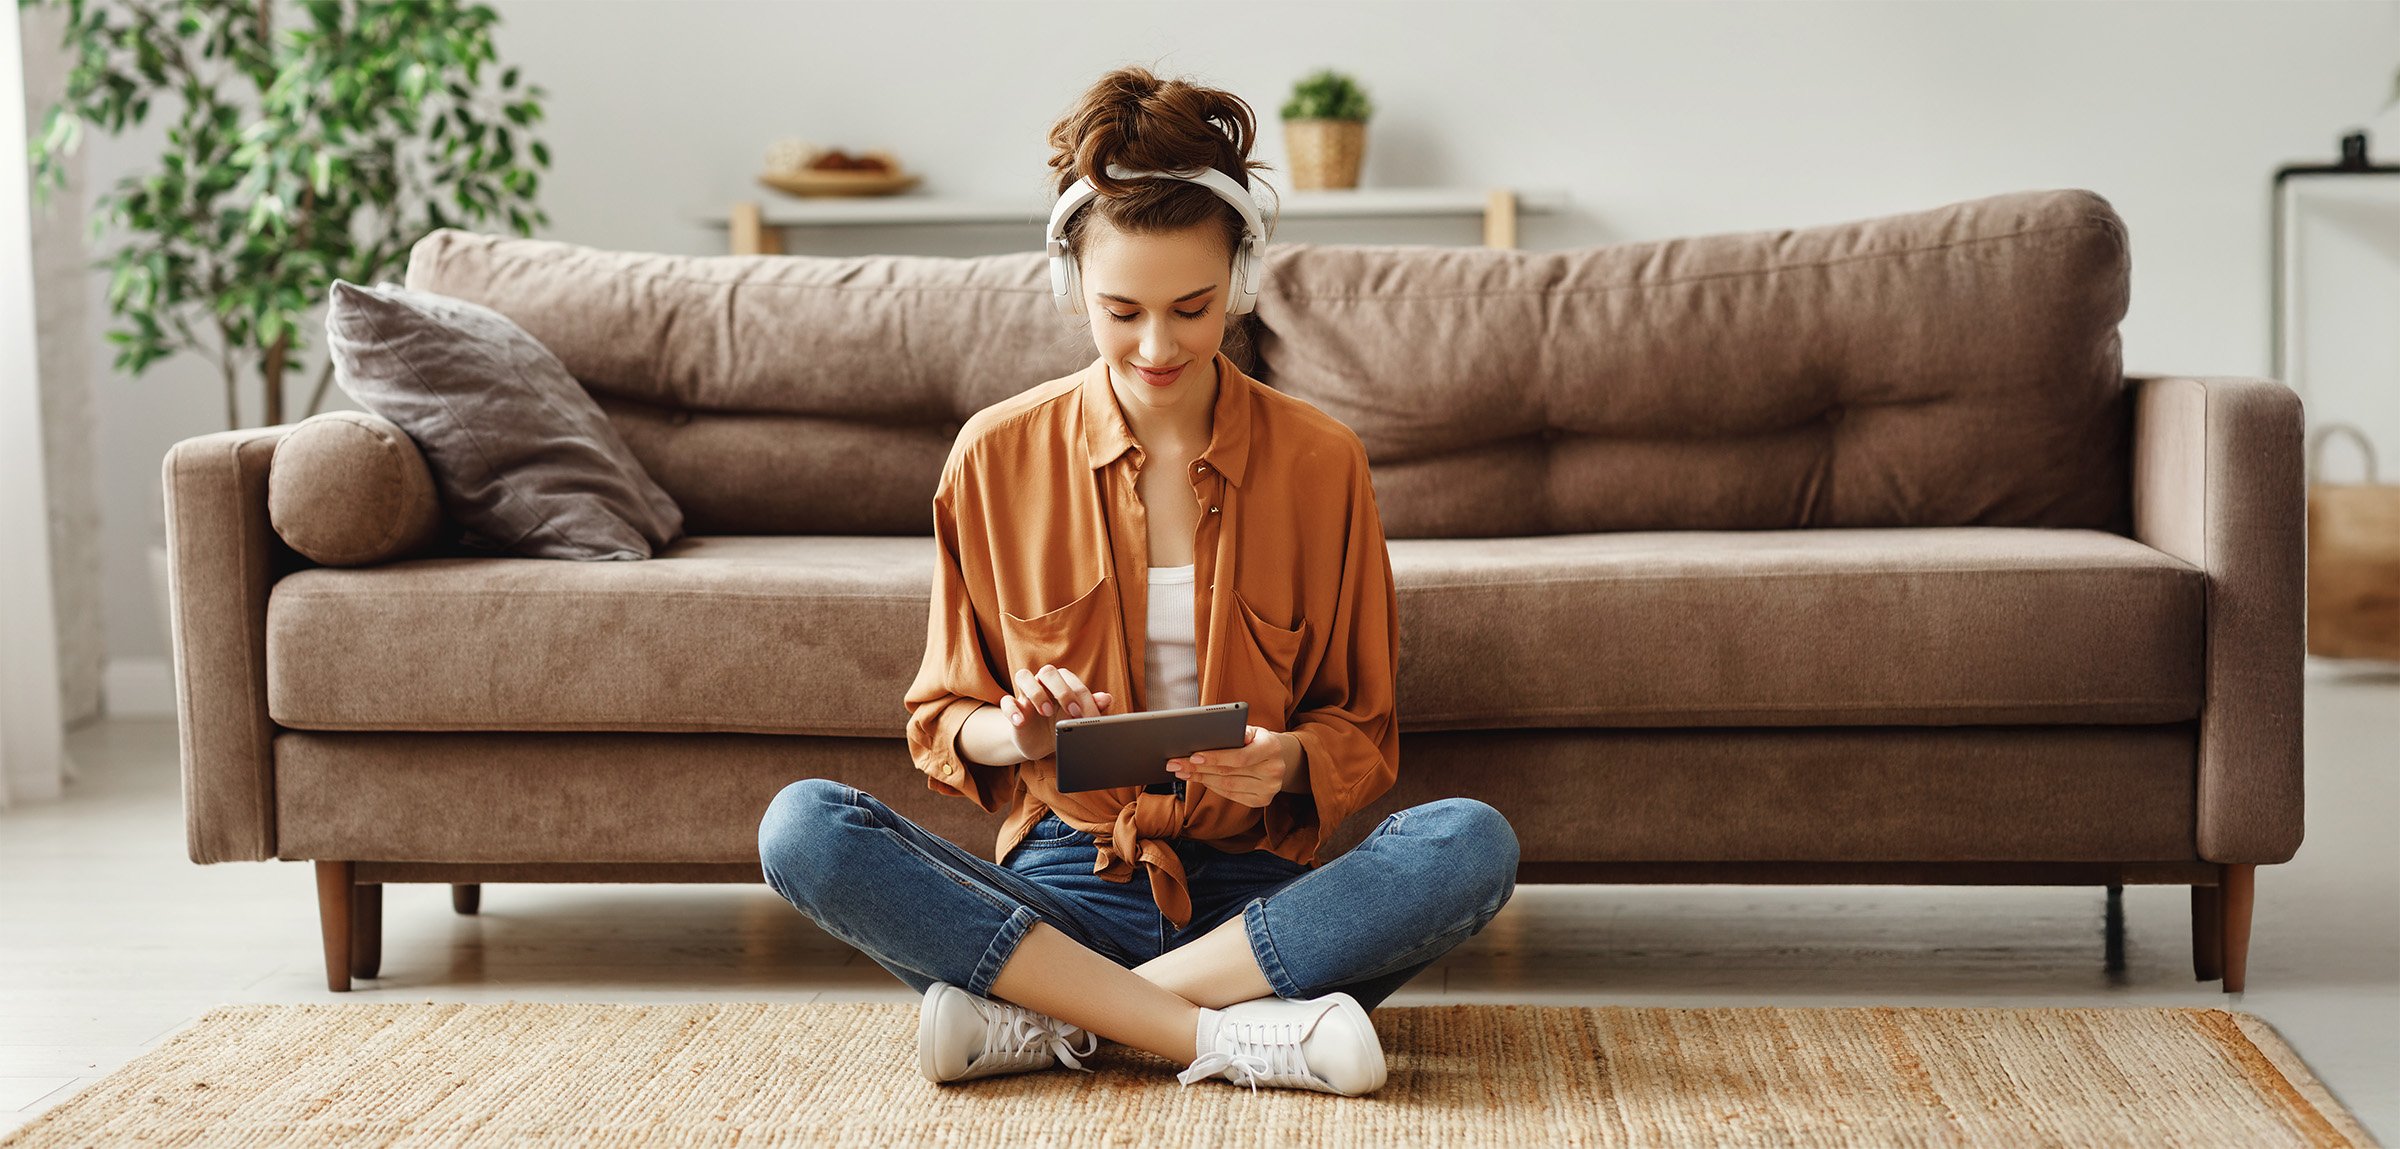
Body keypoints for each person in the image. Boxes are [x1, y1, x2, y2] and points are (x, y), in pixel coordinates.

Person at [757, 64, 1520, 1097]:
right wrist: (1018, 731)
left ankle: (1060, 1024)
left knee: (1469, 843)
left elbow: (1363, 729)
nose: (1157, 346)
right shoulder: (994, 456)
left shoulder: (1321, 460)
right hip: (1066, 887)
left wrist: (1287, 763)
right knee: (802, 828)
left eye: (1193, 309)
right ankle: (1233, 1037)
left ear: (1242, 283)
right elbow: (944, 718)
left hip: (1260, 909)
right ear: (1074, 286)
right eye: (1121, 312)